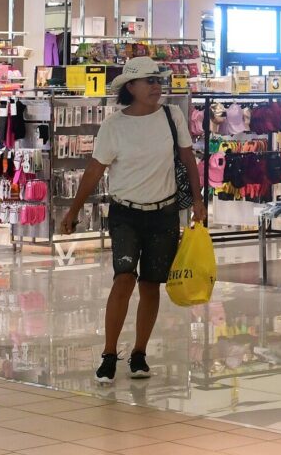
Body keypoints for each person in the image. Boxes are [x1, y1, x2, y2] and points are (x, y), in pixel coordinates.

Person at [59, 56, 206, 385]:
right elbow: (95, 169)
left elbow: (187, 159)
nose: (156, 86)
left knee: (151, 283)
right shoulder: (114, 126)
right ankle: (109, 354)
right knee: (124, 278)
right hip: (125, 213)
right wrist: (73, 210)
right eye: (149, 81)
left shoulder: (172, 115)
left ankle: (139, 353)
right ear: (131, 87)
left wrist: (198, 201)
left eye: (158, 80)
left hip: (164, 213)